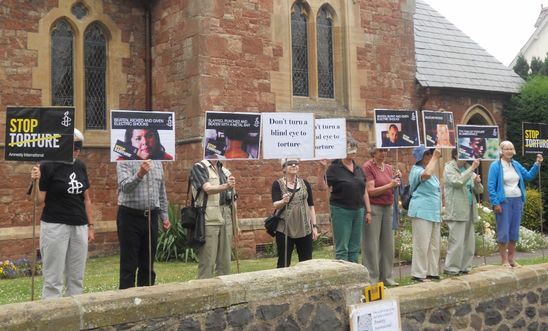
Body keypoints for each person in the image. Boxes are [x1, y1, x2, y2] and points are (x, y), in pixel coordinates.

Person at [30, 129, 94, 299]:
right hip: (55, 225)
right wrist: (35, 181)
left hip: (79, 225)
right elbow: (38, 201)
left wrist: (91, 226)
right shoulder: (47, 165)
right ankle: (52, 319)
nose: (77, 151)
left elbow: (86, 199)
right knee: (53, 280)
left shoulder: (80, 166)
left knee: (76, 278)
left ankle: (75, 318)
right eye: (74, 146)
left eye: (79, 147)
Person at [487, 140, 543, 268]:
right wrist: (496, 203)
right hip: (504, 202)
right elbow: (491, 186)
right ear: (501, 151)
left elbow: (528, 176)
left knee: (514, 231)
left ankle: (512, 259)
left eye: (511, 149)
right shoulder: (495, 166)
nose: (509, 151)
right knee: (504, 231)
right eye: (506, 149)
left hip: (518, 201)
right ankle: (504, 260)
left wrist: (537, 163)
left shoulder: (516, 164)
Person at [116, 159, 171, 289]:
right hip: (130, 216)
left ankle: (146, 299)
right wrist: (140, 174)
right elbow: (124, 187)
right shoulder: (124, 160)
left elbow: (161, 192)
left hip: (151, 216)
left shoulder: (157, 161)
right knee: (129, 264)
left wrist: (164, 216)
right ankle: (126, 301)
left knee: (148, 264)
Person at [318, 137, 372, 263]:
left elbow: (364, 190)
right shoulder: (334, 168)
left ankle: (354, 275)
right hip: (341, 210)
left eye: (354, 148)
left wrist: (368, 211)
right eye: (349, 148)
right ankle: (343, 277)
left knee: (355, 247)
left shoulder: (358, 169)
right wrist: (321, 170)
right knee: (342, 248)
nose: (352, 151)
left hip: (358, 211)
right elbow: (322, 187)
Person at [190, 159, 237, 278]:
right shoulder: (199, 167)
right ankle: (204, 292)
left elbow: (233, 199)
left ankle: (223, 292)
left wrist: (235, 224)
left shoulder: (225, 171)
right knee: (208, 260)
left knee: (225, 260)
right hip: (208, 216)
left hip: (226, 214)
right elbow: (207, 189)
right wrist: (226, 185)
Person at [361, 145, 401, 286]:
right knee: (371, 245)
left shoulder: (389, 168)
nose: (384, 153)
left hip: (388, 207)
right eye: (380, 150)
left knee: (388, 245)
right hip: (374, 207)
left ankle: (387, 278)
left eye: (385, 150)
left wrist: (396, 180)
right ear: (373, 152)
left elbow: (393, 185)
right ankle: (372, 279)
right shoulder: (368, 167)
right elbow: (370, 191)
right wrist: (390, 185)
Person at [271, 158, 318, 268]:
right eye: (290, 164)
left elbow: (311, 206)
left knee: (307, 262)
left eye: (296, 163)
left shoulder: (304, 183)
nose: (293, 165)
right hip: (285, 229)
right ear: (283, 168)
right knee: (284, 262)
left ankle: (306, 284)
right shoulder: (277, 184)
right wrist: (283, 201)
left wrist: (314, 227)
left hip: (305, 228)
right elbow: (275, 204)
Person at [443, 149, 483, 275]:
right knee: (457, 242)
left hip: (470, 209)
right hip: (457, 210)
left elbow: (480, 191)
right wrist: (472, 169)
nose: (467, 157)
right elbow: (457, 182)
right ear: (456, 155)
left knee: (469, 242)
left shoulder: (467, 168)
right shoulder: (449, 168)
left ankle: (465, 267)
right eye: (463, 154)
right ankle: (451, 268)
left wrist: (477, 182)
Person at [408, 145, 442, 282]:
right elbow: (426, 175)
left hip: (434, 212)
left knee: (434, 244)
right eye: (427, 154)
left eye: (430, 154)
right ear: (421, 157)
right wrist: (435, 158)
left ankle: (431, 271)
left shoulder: (432, 172)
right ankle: (418, 273)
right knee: (421, 244)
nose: (430, 156)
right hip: (421, 211)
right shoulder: (416, 170)